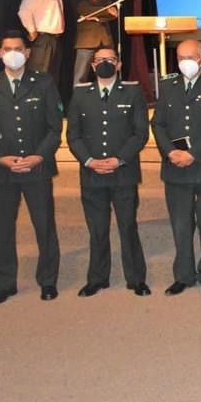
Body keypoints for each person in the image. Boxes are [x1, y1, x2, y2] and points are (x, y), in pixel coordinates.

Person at [0, 31, 62, 304]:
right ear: (0, 53)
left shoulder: (43, 82)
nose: (13, 53)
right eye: (7, 49)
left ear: (27, 53)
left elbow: (54, 127)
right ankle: (4, 283)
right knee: (3, 228)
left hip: (37, 169)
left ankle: (48, 281)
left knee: (44, 226)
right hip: (2, 170)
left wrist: (39, 156)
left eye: (18, 49)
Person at [66, 46, 150, 297]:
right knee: (97, 230)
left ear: (119, 64)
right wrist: (89, 160)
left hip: (123, 173)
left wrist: (119, 159)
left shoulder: (133, 92)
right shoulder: (80, 94)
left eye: (110, 59)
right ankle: (97, 278)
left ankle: (136, 279)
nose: (105, 63)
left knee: (128, 226)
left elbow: (140, 133)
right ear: (92, 66)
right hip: (91, 174)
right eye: (100, 60)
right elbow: (73, 135)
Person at [151, 39, 201, 297]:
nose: (186, 62)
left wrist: (193, 154)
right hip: (175, 167)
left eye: (191, 57)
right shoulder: (167, 84)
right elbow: (158, 123)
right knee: (181, 226)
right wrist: (170, 152)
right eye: (181, 57)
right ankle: (183, 276)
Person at [18, 0, 65, 76]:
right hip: (44, 39)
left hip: (54, 38)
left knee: (53, 75)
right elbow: (24, 10)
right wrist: (32, 30)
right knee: (40, 74)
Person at [71, 0, 116, 85]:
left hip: (105, 40)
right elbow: (85, 9)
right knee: (81, 74)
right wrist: (106, 11)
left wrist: (96, 17)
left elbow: (113, 13)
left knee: (108, 72)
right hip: (86, 41)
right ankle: (78, 95)